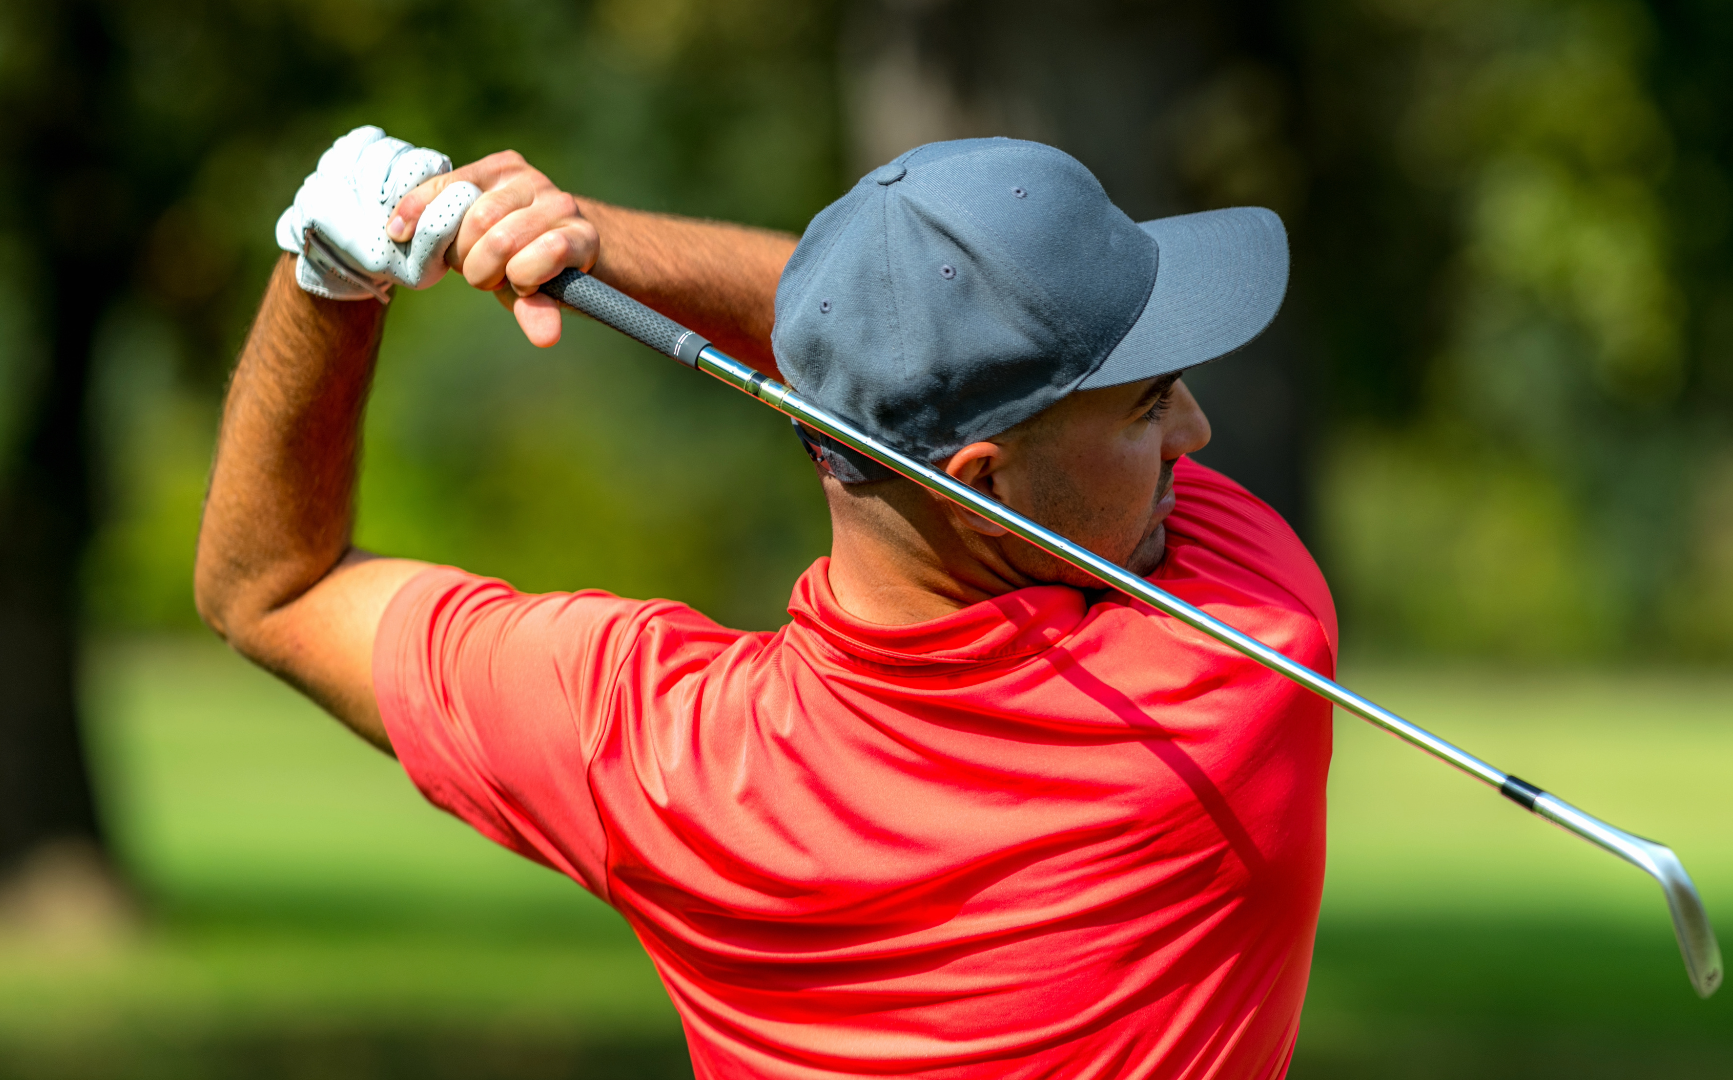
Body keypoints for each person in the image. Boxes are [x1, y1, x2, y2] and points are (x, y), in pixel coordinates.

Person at [195, 127, 1337, 1079]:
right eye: (1148, 407)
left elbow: (270, 587)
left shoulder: (657, 751)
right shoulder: (1239, 642)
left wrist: (328, 280)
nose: (1194, 432)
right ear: (984, 482)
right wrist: (596, 239)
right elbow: (850, 343)